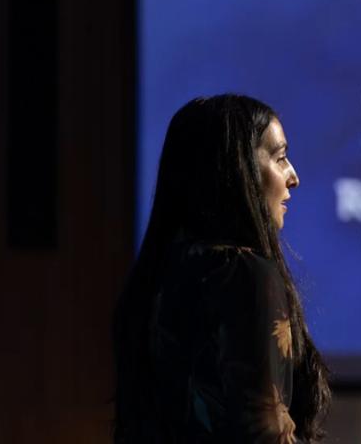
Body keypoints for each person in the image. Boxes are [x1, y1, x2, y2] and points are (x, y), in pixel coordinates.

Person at [112, 95, 331, 443]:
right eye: (280, 157)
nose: (294, 178)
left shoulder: (155, 279)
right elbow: (263, 432)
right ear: (237, 167)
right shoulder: (244, 274)